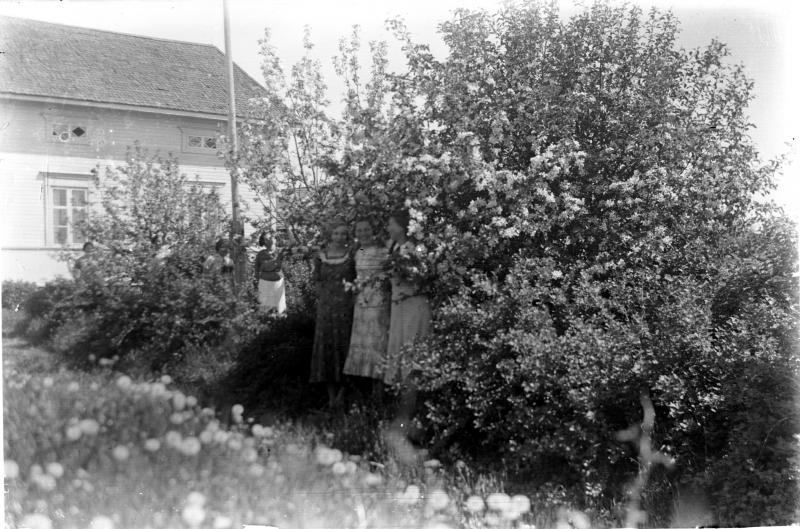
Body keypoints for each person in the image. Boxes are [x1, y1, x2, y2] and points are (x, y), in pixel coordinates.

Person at [384, 210, 432, 436]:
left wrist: (403, 267)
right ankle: (402, 417)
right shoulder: (394, 247)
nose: (388, 228)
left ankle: (410, 417)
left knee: (412, 360)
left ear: (402, 227)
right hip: (400, 307)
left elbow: (422, 277)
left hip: (413, 305)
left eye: (391, 224)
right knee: (401, 357)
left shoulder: (416, 248)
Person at [309, 219, 356, 409]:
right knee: (327, 348)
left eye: (343, 233)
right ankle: (331, 397)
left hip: (346, 307)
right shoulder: (321, 255)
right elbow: (316, 280)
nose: (339, 237)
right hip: (326, 309)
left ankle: (343, 394)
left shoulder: (353, 253)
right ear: (330, 234)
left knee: (344, 346)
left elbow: (361, 274)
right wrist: (323, 299)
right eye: (336, 233)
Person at [343, 217, 392, 395]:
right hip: (362, 302)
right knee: (363, 343)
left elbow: (387, 277)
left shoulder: (383, 251)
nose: (363, 233)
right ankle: (366, 389)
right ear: (355, 233)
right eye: (359, 230)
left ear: (373, 231)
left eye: (366, 229)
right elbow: (357, 277)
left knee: (377, 342)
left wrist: (376, 292)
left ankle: (380, 388)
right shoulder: (359, 252)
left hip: (378, 301)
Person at [254, 232, 287, 315]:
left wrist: (288, 229)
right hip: (264, 283)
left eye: (271, 237)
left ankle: (280, 320)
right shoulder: (260, 254)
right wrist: (257, 282)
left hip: (278, 283)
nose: (271, 238)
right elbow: (256, 270)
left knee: (280, 308)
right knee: (265, 308)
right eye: (268, 238)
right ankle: (265, 321)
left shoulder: (281, 252)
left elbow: (292, 245)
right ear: (264, 242)